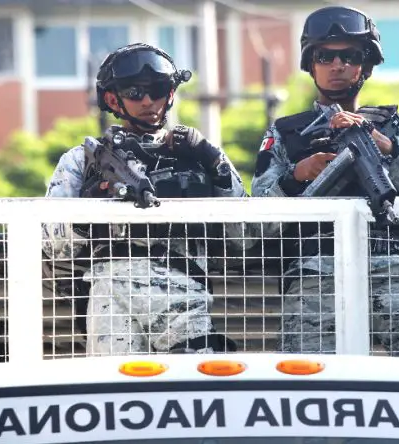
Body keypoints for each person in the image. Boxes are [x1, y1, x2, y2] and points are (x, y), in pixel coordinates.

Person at [250, 6, 399, 360]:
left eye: (349, 56)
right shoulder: (287, 133)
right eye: (325, 56)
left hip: (390, 266)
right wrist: (297, 176)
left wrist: (390, 152)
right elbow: (254, 218)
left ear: (364, 66)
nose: (337, 65)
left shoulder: (397, 127)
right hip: (314, 270)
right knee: (305, 372)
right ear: (311, 63)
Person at [42, 43, 247, 356]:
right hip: (110, 295)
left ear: (171, 94)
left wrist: (215, 163)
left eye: (158, 90)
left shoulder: (199, 155)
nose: (148, 101)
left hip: (182, 290)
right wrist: (89, 207)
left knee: (192, 387)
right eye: (135, 93)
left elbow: (245, 238)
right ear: (113, 99)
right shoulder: (83, 160)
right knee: (114, 393)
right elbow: (48, 243)